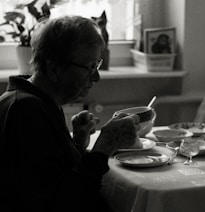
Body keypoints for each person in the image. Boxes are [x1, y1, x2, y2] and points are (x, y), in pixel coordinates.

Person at [0, 16, 140, 212]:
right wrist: (102, 149)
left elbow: (52, 174)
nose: (96, 77)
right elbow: (64, 202)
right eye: (90, 67)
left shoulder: (37, 101)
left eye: (97, 65)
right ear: (54, 68)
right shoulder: (26, 112)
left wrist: (78, 144)